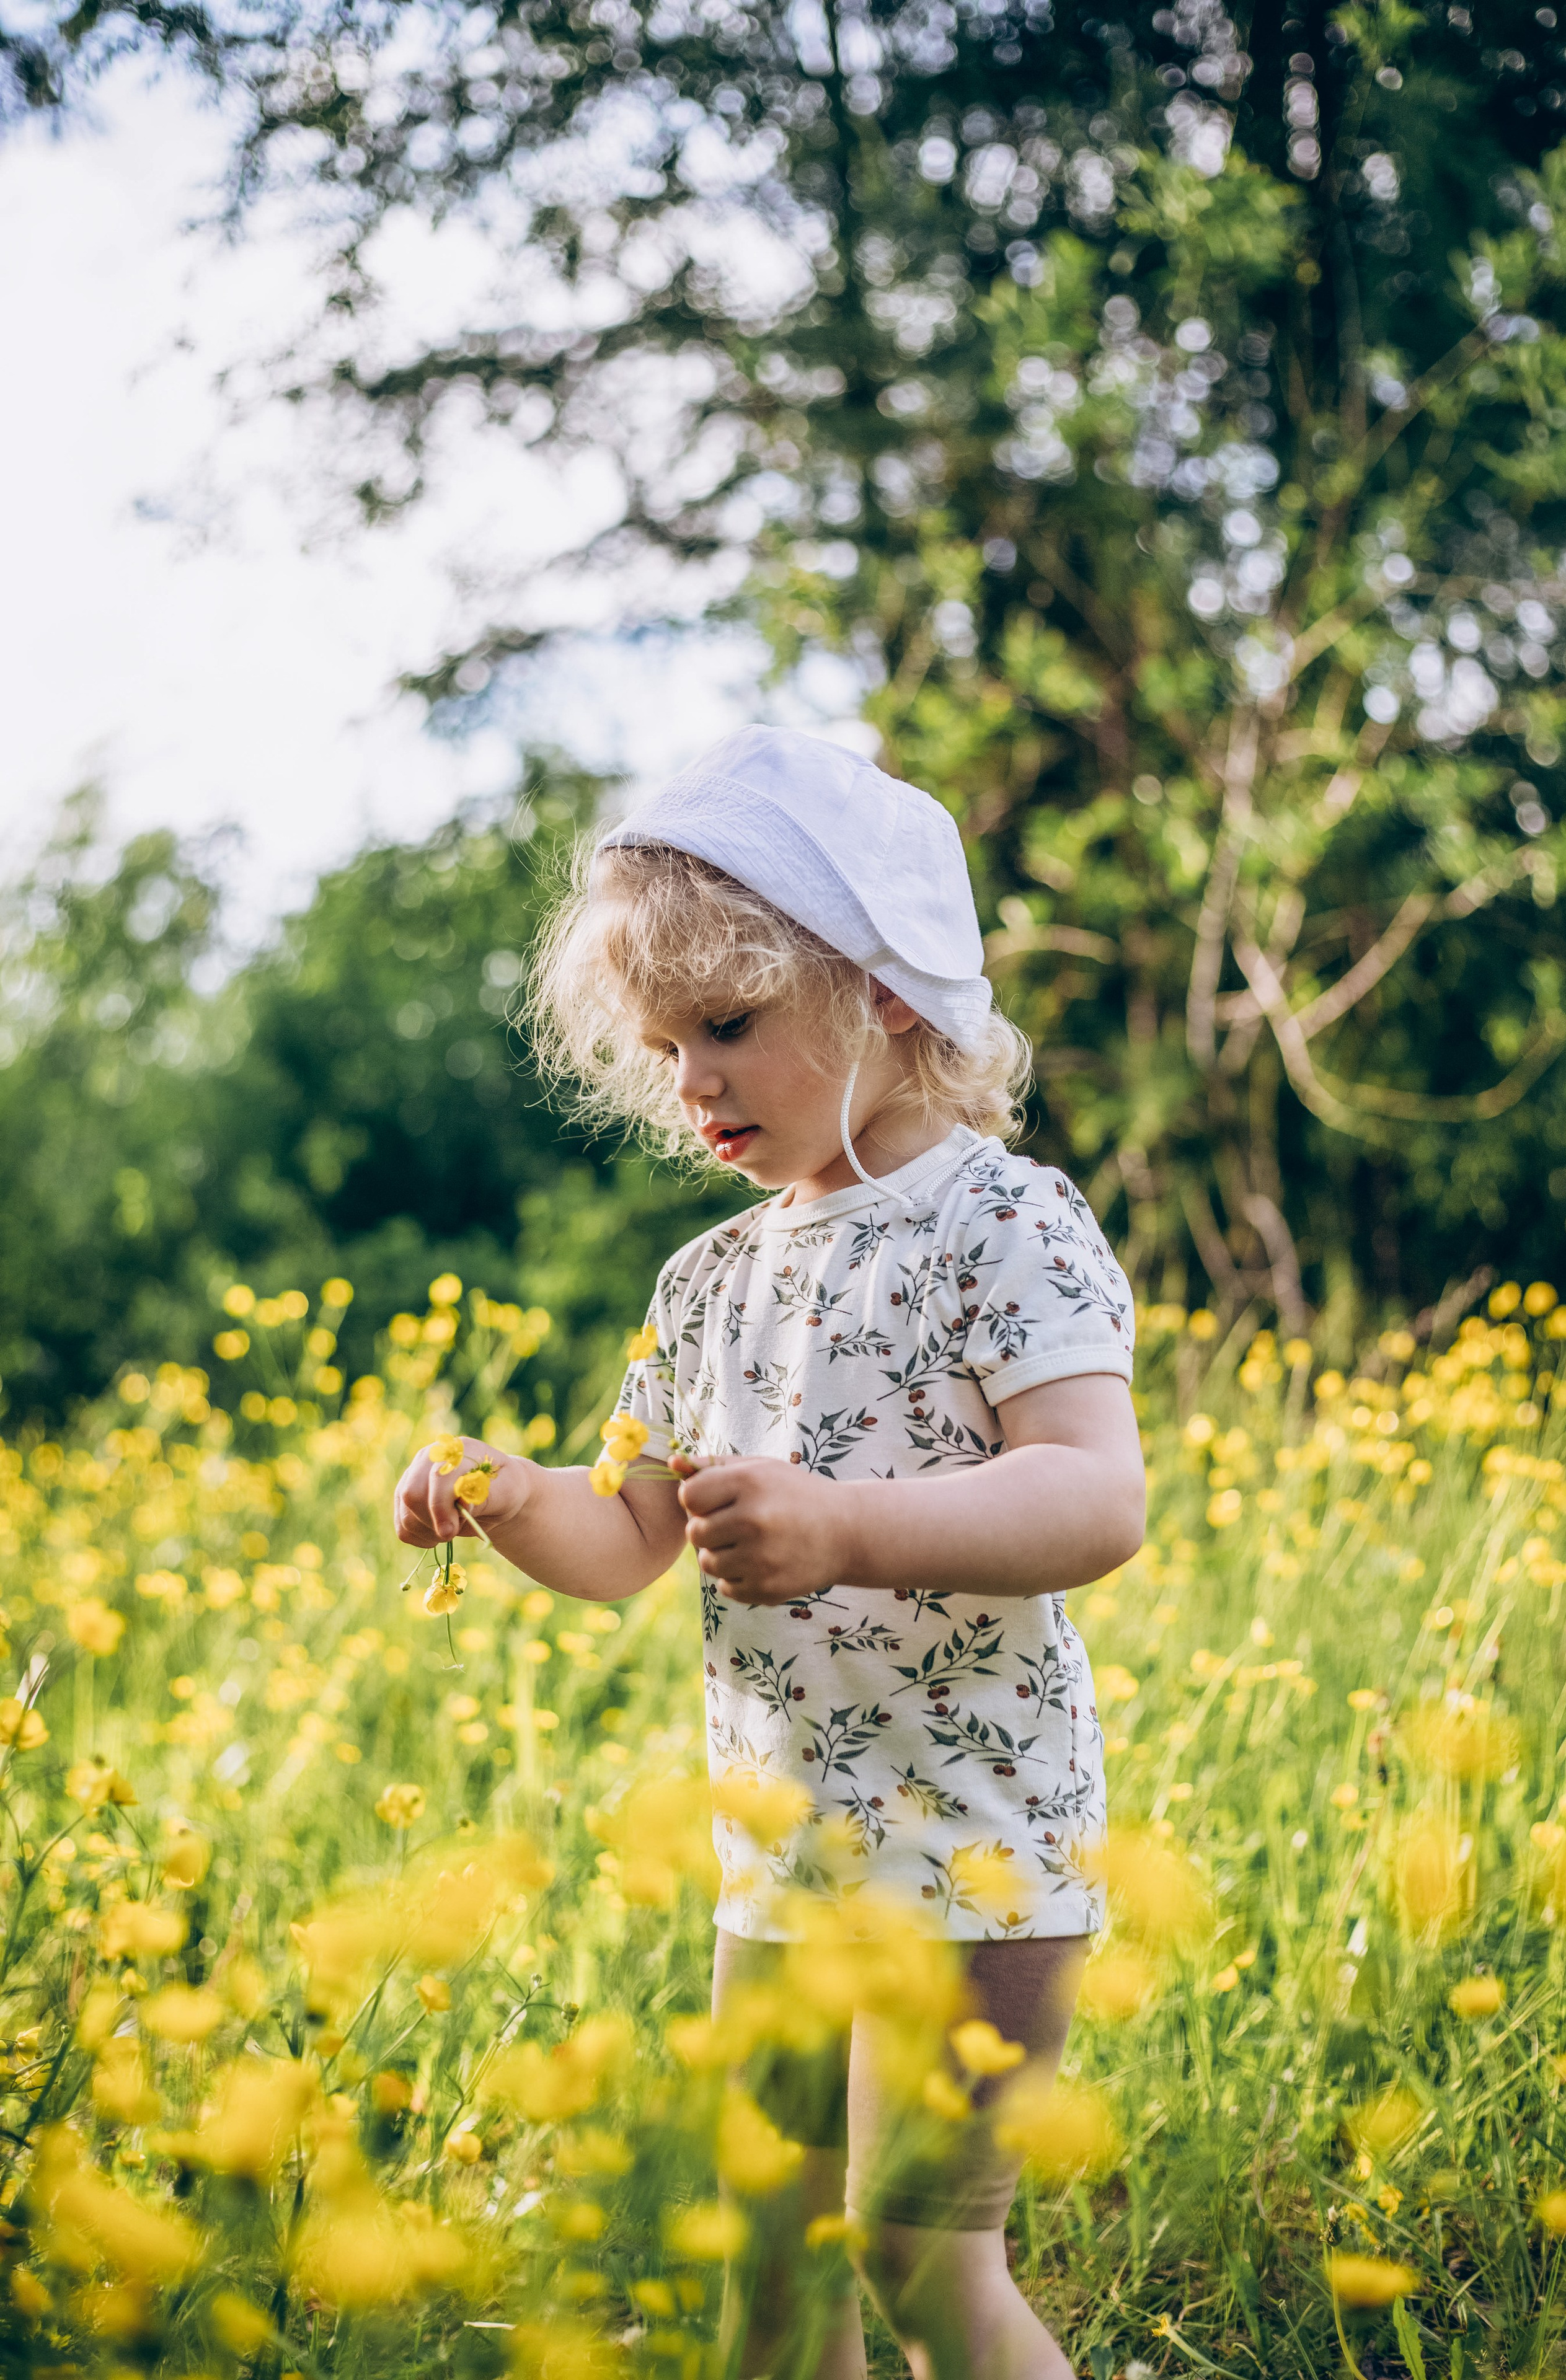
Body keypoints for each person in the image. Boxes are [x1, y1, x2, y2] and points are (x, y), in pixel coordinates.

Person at [393, 725, 1145, 2380]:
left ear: (884, 994)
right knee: (774, 2290)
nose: (693, 1083)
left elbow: (1096, 1499)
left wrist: (848, 1526)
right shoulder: (705, 1283)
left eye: (728, 1026)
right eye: (665, 1047)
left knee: (915, 2262)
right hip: (785, 1863)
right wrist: (512, 1495)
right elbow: (625, 1544)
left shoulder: (1002, 1223)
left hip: (981, 1853)